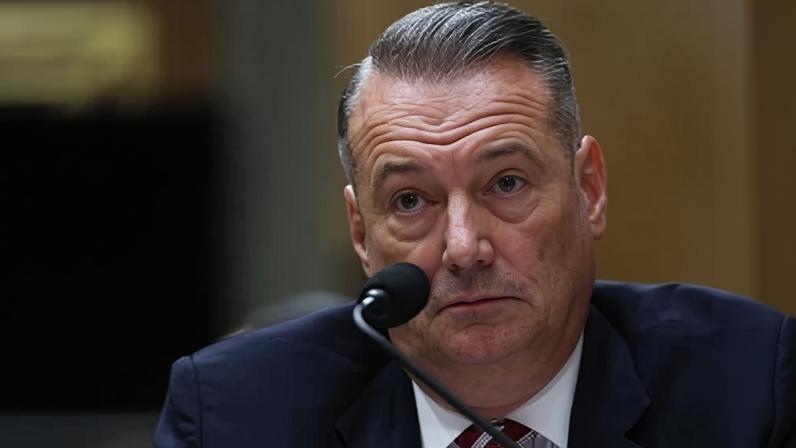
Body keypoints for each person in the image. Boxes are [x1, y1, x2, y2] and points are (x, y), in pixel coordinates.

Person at [154, 2, 796, 447]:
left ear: (589, 189)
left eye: (507, 184)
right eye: (410, 201)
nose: (464, 248)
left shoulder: (746, 385)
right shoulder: (235, 416)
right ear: (360, 232)